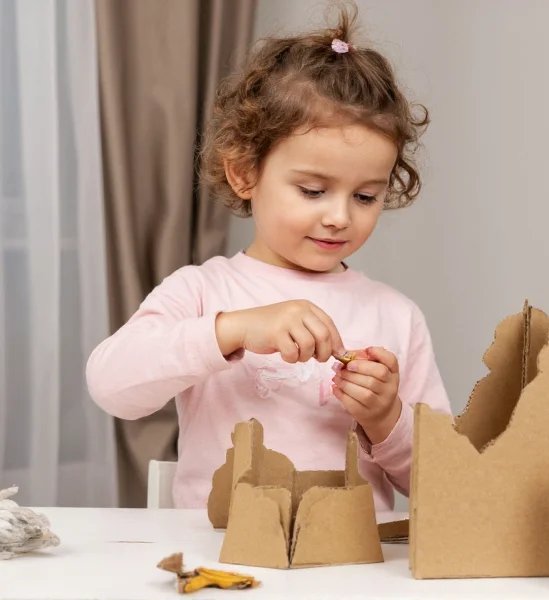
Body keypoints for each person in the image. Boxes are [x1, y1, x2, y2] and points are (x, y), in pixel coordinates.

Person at [86, 4, 451, 511]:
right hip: (220, 561)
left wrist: (386, 419)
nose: (340, 217)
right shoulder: (203, 292)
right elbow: (111, 386)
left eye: (365, 197)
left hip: (349, 571)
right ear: (244, 174)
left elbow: (447, 486)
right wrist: (232, 330)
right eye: (312, 190)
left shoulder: (396, 316)